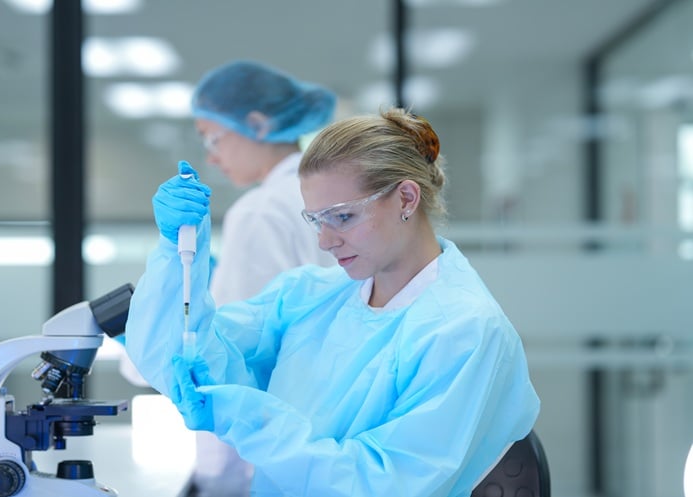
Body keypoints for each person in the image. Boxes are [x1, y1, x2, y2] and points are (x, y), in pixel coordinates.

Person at [124, 107, 540, 496]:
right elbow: (183, 359)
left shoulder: (462, 330)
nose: (325, 242)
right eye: (317, 220)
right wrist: (175, 257)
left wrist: (252, 419)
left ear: (407, 199)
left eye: (342, 217)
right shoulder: (309, 297)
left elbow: (377, 483)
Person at [185, 60, 337, 495]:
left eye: (212, 136)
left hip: (276, 434)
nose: (212, 156)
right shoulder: (323, 193)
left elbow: (232, 354)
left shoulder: (260, 210)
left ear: (257, 123)